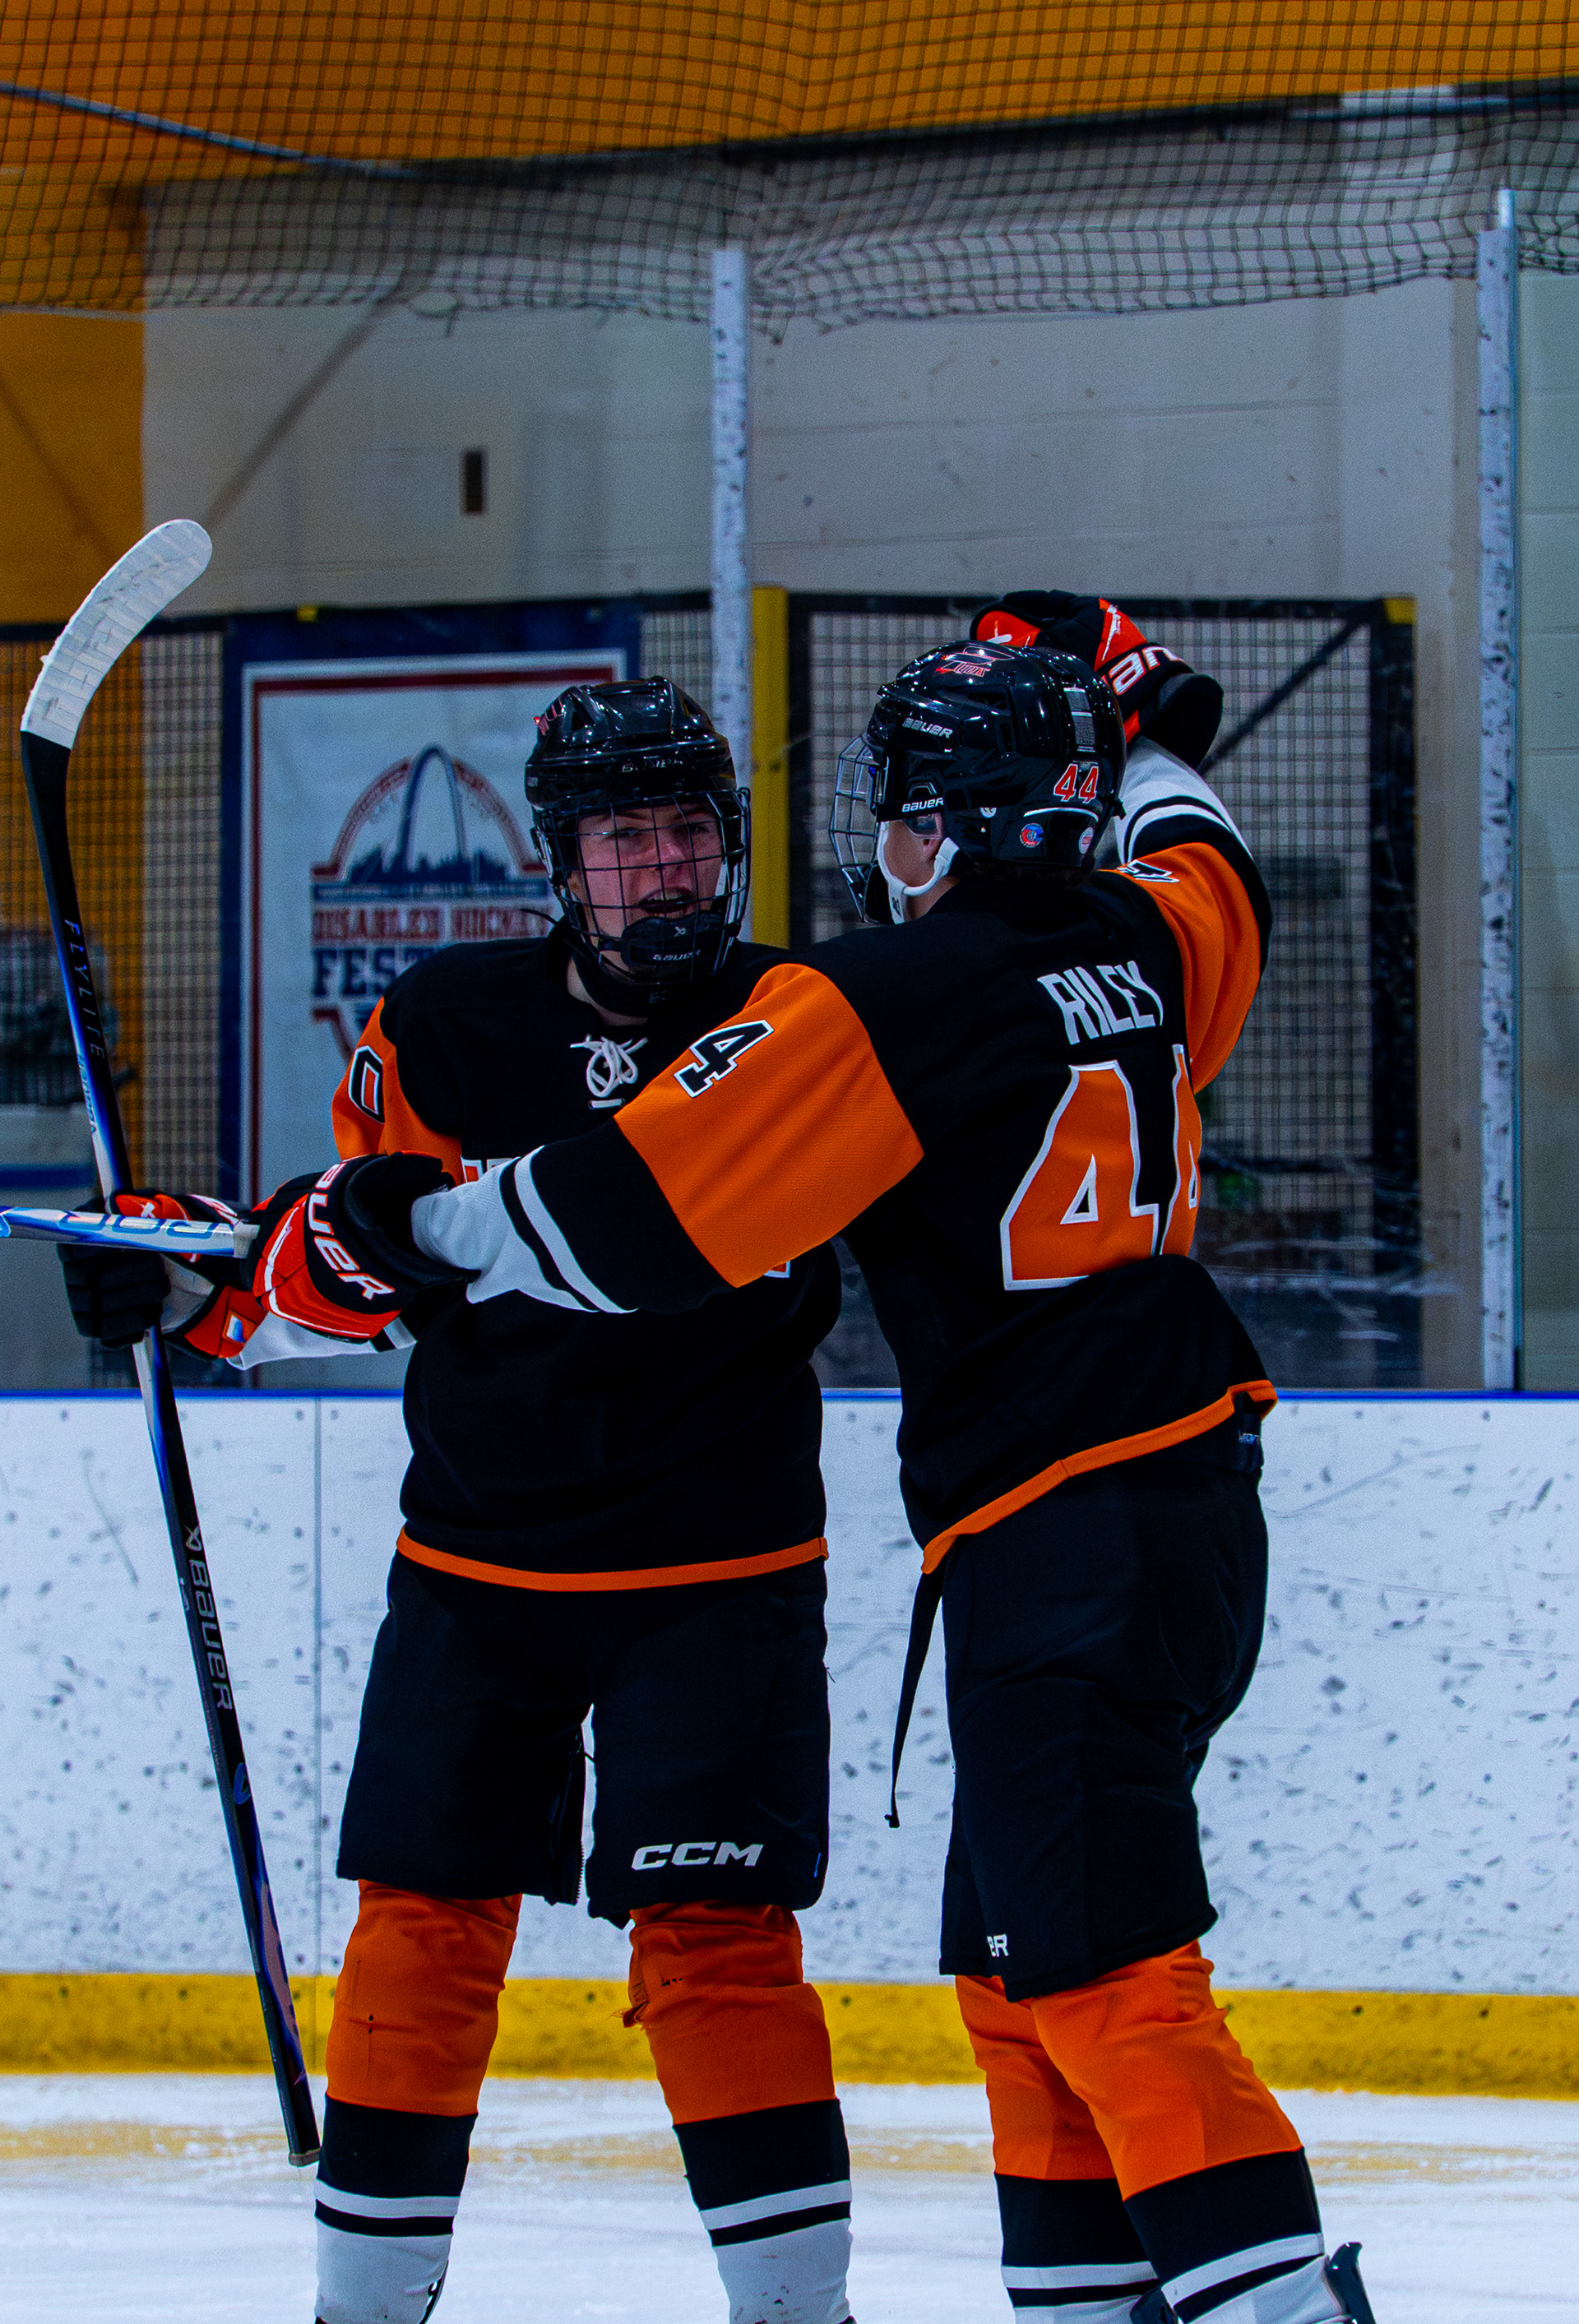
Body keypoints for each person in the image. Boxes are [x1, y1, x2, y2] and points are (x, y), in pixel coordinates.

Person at [362, 625, 1381, 2324]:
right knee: (1013, 1963)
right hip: (1182, 1510)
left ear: (948, 821)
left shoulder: (886, 995)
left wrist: (407, 1220)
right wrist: (1144, 730)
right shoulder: (1142, 934)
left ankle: (1280, 2308)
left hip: (1065, 1538)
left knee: (1105, 1969)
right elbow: (1215, 866)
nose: (883, 837)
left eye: (903, 806)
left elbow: (633, 1218)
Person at [59, 681, 853, 2324]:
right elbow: (361, 1267)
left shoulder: (797, 1015)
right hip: (480, 1560)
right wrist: (198, 1282)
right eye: (625, 836)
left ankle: (800, 2318)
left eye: (689, 830)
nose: (664, 866)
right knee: (421, 1924)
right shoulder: (443, 1024)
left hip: (725, 1567)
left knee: (716, 1937)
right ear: (560, 860)